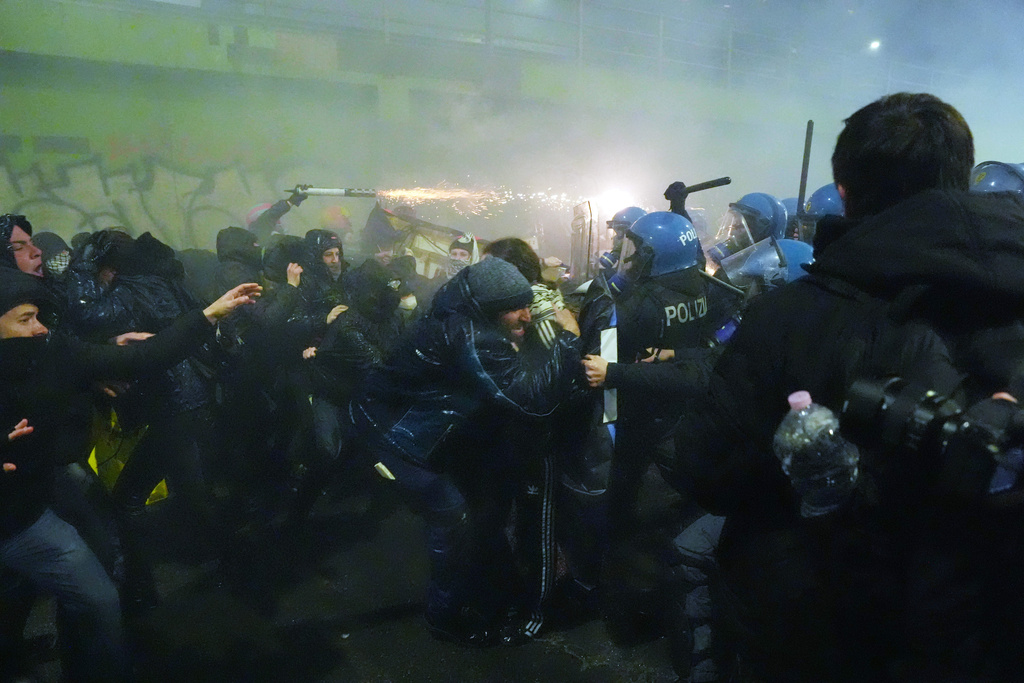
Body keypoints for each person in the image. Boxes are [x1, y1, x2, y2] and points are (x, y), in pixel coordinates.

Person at [682, 92, 1024, 681]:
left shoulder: (792, 314)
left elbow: (703, 468)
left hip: (822, 627)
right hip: (987, 627)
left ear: (845, 191)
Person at [0, 267, 258, 681]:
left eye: (38, 316)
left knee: (97, 599)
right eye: (26, 319)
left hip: (26, 519)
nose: (40, 329)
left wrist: (209, 313)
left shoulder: (52, 351)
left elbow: (142, 357)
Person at [350, 257, 581, 646]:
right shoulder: (471, 335)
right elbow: (530, 400)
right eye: (516, 309)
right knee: (452, 520)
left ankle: (479, 589)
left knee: (479, 513)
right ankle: (445, 617)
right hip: (397, 438)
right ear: (488, 310)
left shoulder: (458, 309)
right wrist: (568, 340)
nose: (527, 316)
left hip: (421, 428)